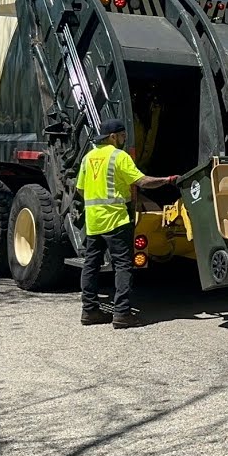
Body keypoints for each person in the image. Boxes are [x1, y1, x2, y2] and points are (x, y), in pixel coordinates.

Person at [76, 118, 178, 328]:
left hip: (93, 221)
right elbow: (142, 181)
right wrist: (167, 180)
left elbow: (80, 189)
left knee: (91, 266)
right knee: (123, 266)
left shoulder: (87, 158)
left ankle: (89, 311)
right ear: (113, 137)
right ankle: (122, 313)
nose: (124, 139)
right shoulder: (118, 156)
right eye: (122, 135)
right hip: (116, 221)